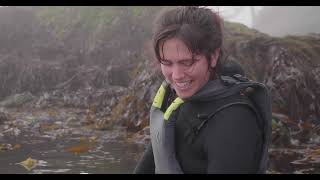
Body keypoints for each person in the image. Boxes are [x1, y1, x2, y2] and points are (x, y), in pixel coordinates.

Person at [134, 6, 271, 174]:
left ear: (213, 56)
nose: (176, 76)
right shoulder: (176, 99)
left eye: (187, 63)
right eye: (167, 63)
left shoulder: (233, 121)